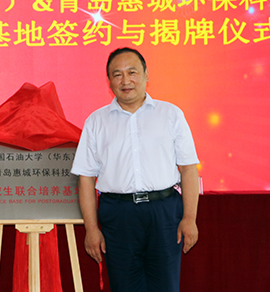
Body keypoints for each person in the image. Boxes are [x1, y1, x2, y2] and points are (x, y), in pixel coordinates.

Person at [71, 48, 199, 292]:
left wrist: (190, 219)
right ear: (109, 81)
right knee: (124, 286)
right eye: (117, 74)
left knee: (166, 286)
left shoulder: (170, 114)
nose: (125, 80)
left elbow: (188, 169)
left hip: (164, 212)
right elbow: (86, 178)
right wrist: (91, 229)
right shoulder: (96, 121)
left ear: (146, 74)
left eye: (132, 72)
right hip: (118, 214)